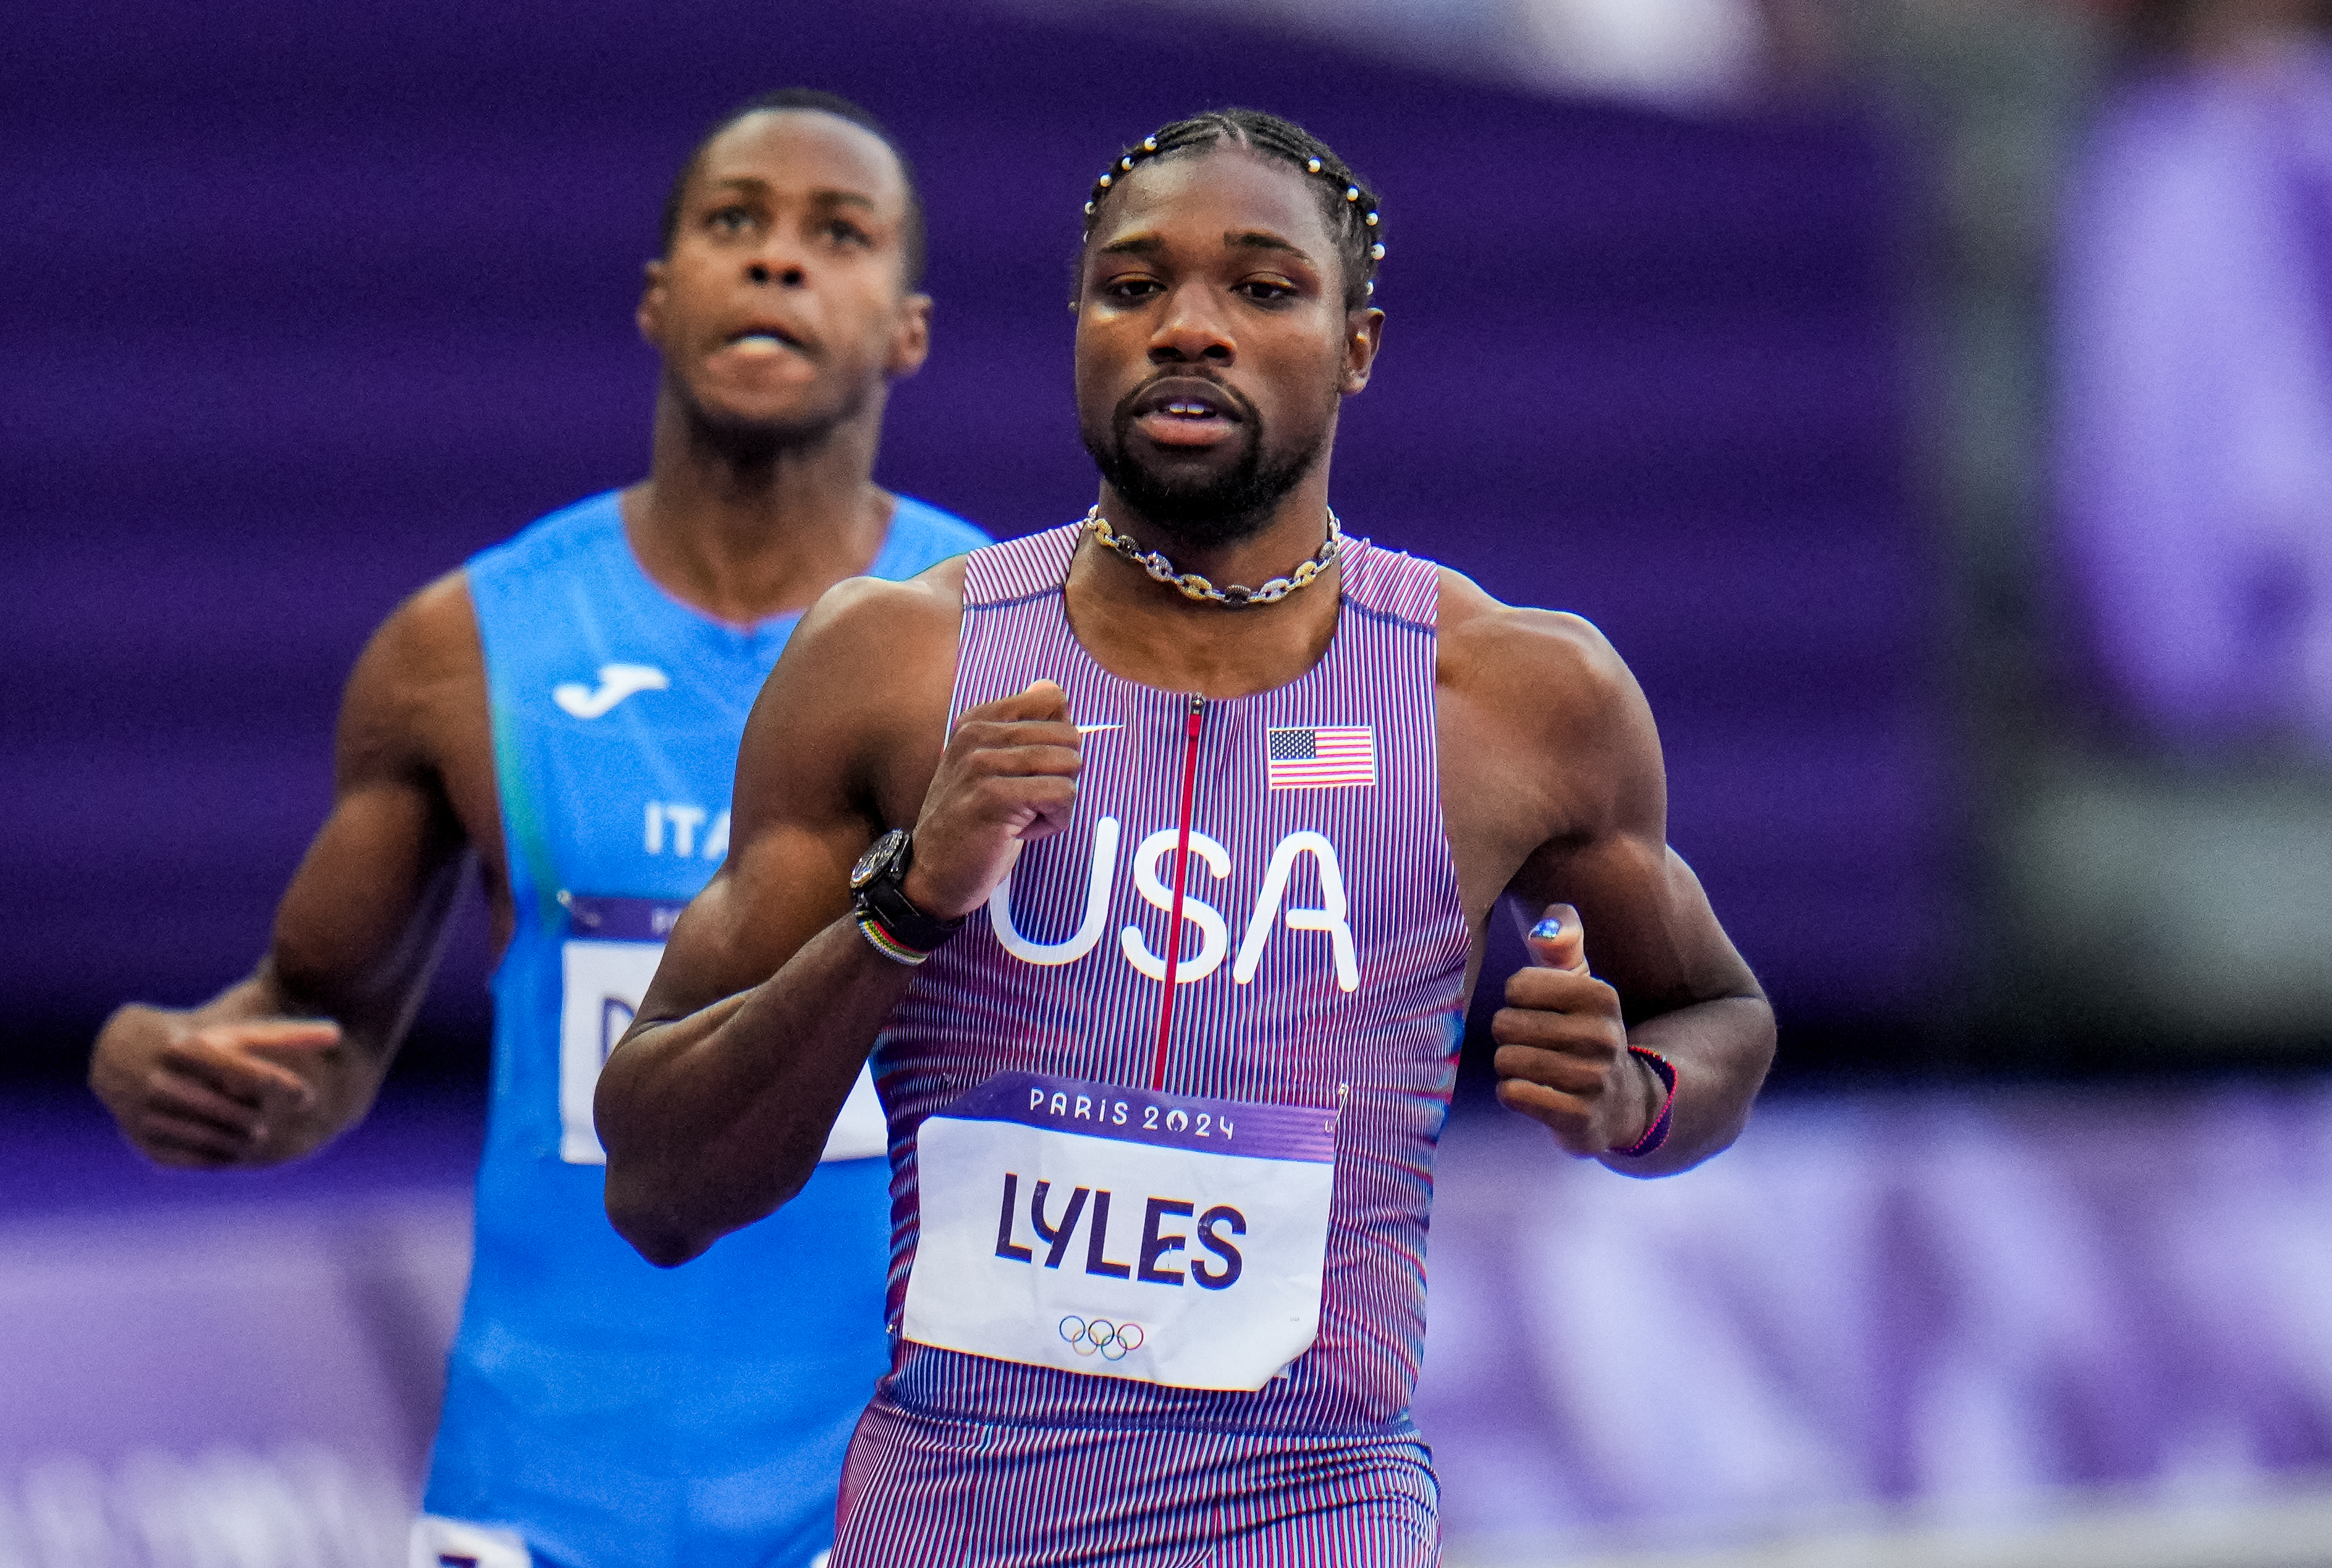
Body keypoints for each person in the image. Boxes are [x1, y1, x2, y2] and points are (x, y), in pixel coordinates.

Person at [596, 107, 1775, 1566]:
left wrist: (1631, 1101)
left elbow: (1719, 1015)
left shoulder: (1516, 699)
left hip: (1309, 1517)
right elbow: (657, 1186)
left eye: (1261, 289)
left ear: (1357, 346)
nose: (1187, 329)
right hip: (944, 1521)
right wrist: (900, 908)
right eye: (1132, 285)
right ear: (1077, 327)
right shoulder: (894, 669)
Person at [87, 89, 988, 1568]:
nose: (777, 262)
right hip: (541, 1504)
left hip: (891, 1511)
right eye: (732, 224)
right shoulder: (465, 647)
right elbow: (313, 1044)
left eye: (839, 234)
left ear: (907, 327)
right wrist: (165, 1064)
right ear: (656, 299)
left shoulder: (1003, 641)